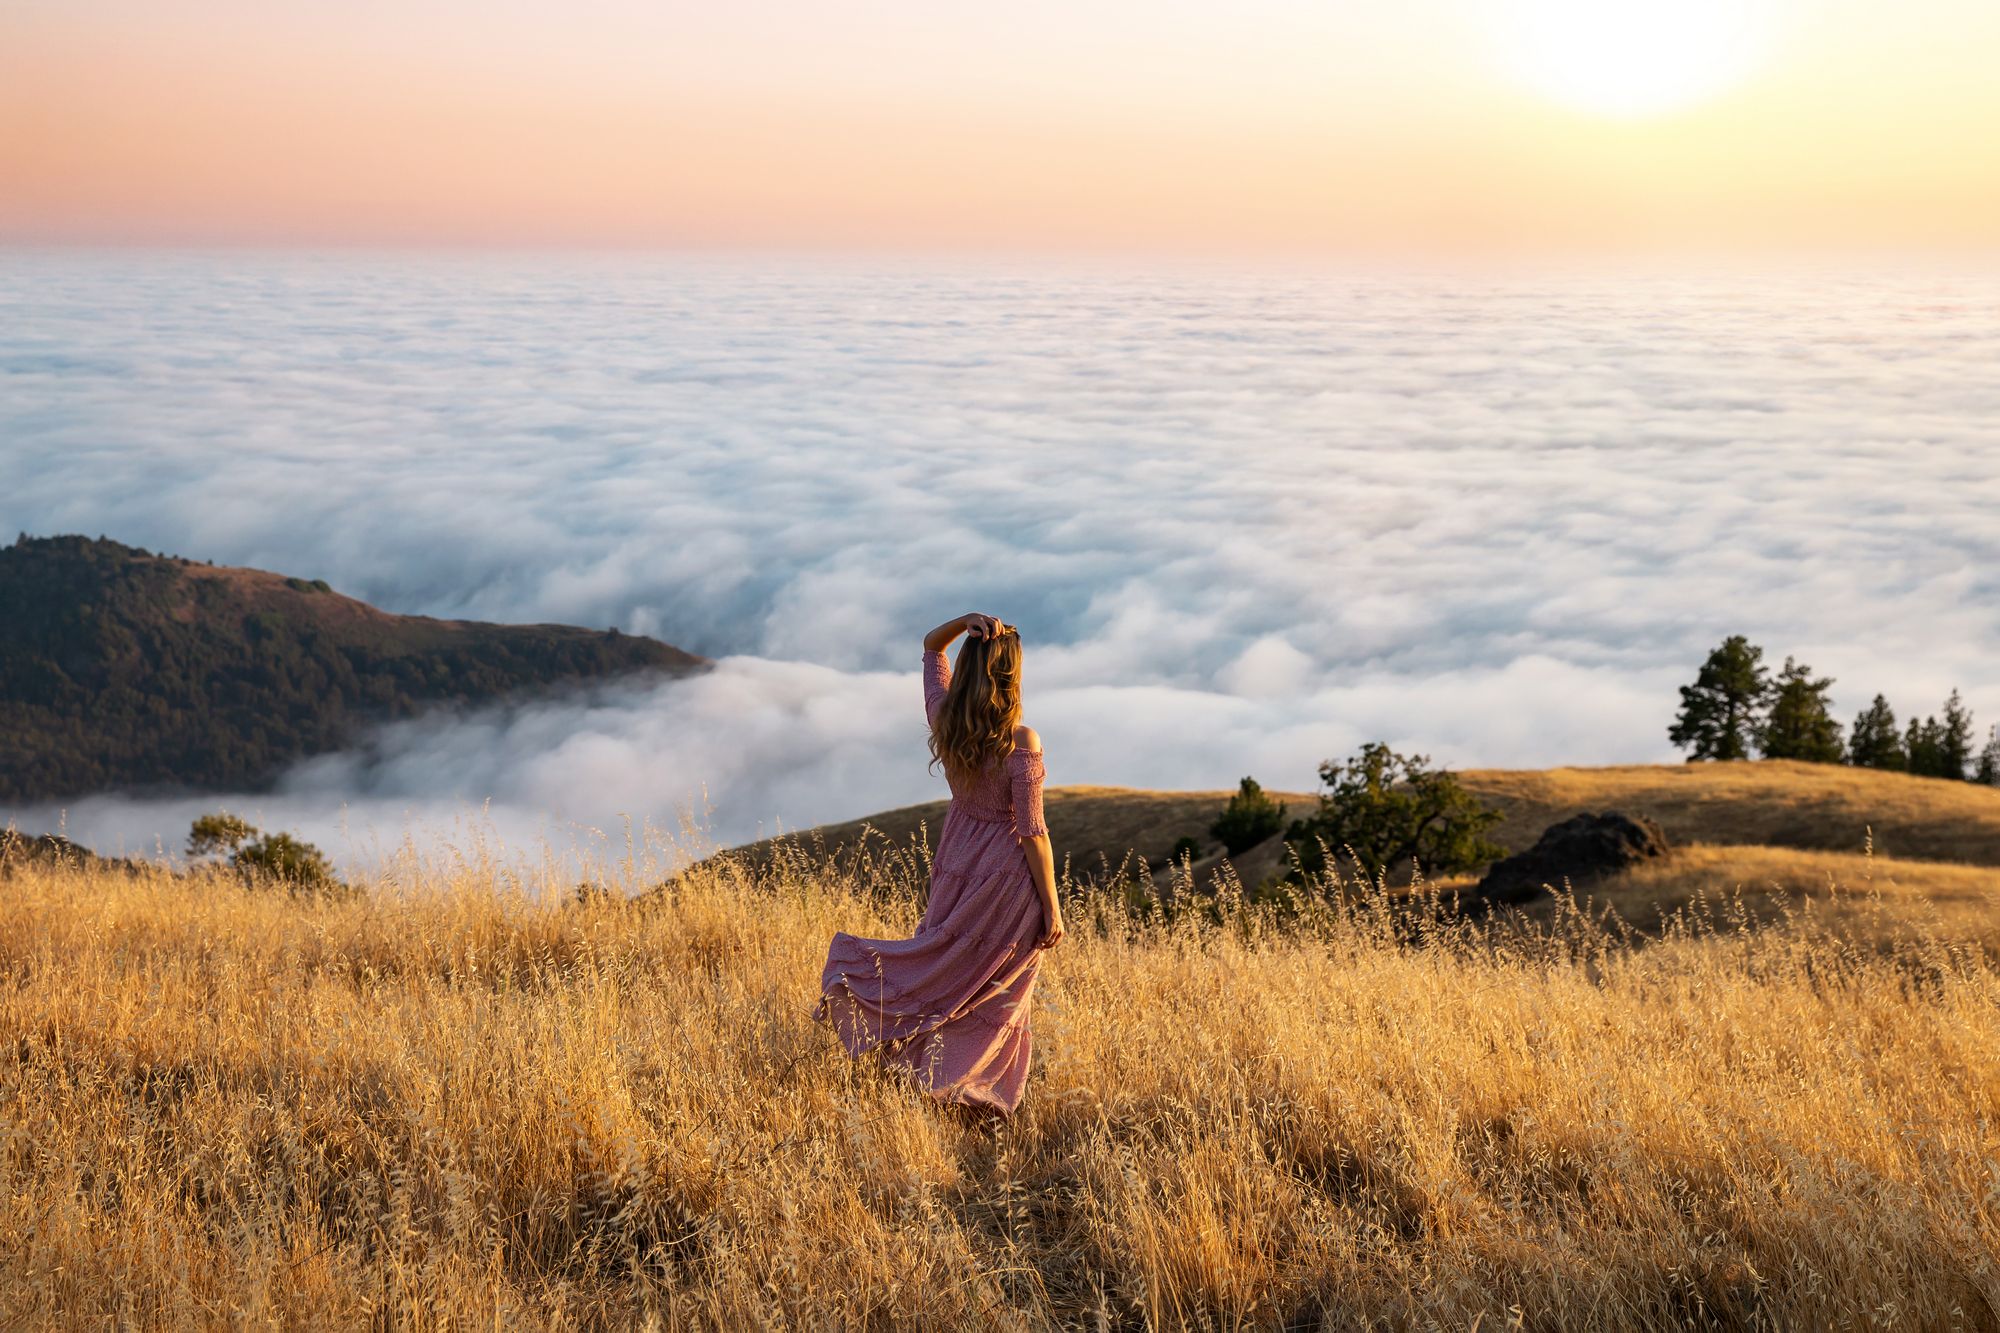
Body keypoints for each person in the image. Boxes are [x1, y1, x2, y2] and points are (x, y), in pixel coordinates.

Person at [816, 611, 1062, 1117]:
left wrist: (963, 622)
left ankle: (930, 1079)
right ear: (1010, 674)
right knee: (996, 993)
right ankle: (965, 1093)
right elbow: (1034, 833)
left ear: (971, 668)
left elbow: (931, 649)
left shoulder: (945, 717)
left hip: (957, 860)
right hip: (1006, 880)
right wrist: (1053, 909)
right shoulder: (1021, 741)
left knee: (945, 968)